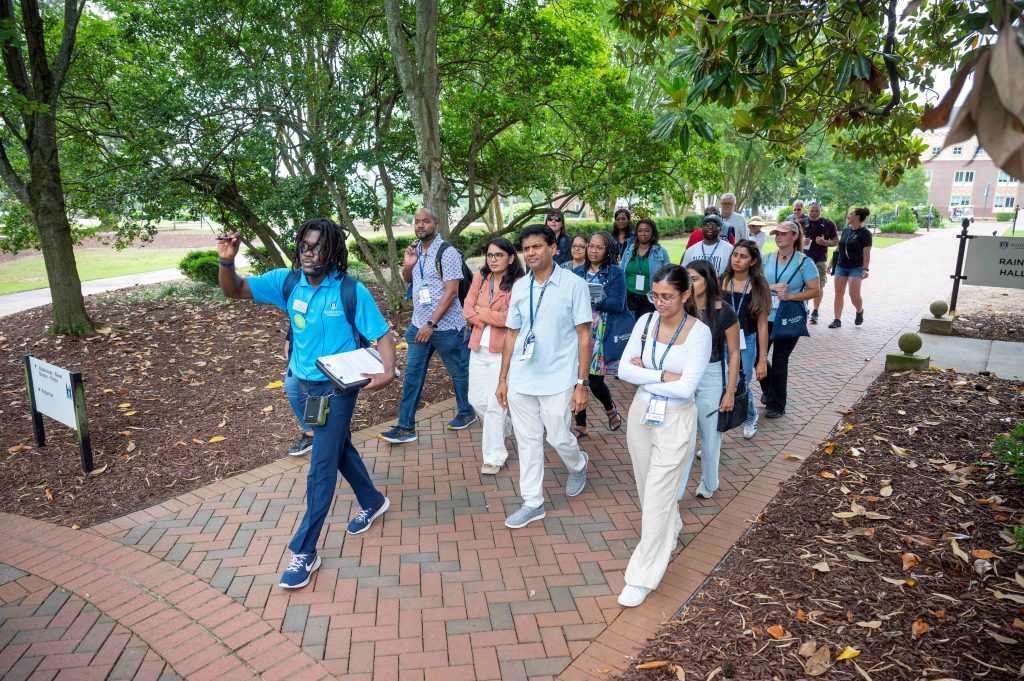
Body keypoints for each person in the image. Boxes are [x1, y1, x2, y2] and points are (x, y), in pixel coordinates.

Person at [215, 219, 396, 589]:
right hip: (302, 386)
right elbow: (236, 290)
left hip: (338, 389)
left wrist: (389, 371)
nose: (309, 252)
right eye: (305, 246)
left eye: (318, 247)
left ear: (333, 253)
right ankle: (372, 499)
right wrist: (227, 262)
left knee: (321, 467)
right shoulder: (287, 282)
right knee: (337, 448)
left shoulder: (350, 290)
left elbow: (382, 335)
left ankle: (306, 550)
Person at [617, 264, 711, 607]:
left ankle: (641, 577)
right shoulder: (644, 323)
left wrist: (647, 373)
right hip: (641, 413)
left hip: (676, 420)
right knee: (646, 487)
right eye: (655, 295)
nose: (659, 302)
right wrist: (662, 376)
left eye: (667, 296)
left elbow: (687, 388)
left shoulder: (700, 333)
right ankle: (670, 526)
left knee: (657, 495)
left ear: (685, 295)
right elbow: (624, 371)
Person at [496, 224, 592, 529]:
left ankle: (578, 464)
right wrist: (503, 378)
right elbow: (512, 333)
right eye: (526, 249)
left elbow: (584, 336)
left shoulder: (574, 285)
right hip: (523, 376)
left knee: (557, 434)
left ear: (554, 248)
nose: (531, 253)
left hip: (559, 376)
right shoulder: (521, 287)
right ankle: (532, 502)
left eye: (537, 246)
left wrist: (581, 383)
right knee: (527, 440)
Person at [380, 208, 476, 444]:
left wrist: (431, 323)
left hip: (445, 327)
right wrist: (409, 265)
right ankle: (405, 427)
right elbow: (409, 280)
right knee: (412, 375)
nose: (420, 225)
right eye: (417, 222)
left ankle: (466, 411)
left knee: (458, 373)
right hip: (418, 325)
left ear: (436, 223)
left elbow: (452, 292)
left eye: (425, 221)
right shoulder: (415, 250)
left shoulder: (448, 253)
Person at [675, 259, 739, 501]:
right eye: (687, 278)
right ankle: (677, 490)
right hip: (682, 374)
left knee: (710, 437)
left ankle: (709, 482)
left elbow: (734, 353)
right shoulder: (682, 307)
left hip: (712, 374)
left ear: (709, 280)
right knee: (683, 438)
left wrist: (730, 391)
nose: (690, 283)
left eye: (695, 278)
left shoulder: (725, 311)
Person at [464, 238, 525, 475]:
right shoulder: (481, 278)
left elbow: (509, 319)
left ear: (510, 258)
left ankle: (494, 457)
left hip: (503, 352)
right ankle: (505, 426)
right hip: (478, 348)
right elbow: (467, 309)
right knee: (476, 400)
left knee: (493, 405)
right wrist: (490, 314)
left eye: (499, 255)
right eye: (490, 255)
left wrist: (482, 312)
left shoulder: (518, 284)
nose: (493, 259)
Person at [759, 222, 820, 418]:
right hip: (765, 316)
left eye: (783, 234)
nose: (778, 236)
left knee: (779, 360)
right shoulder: (766, 258)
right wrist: (771, 287)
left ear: (794, 236)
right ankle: (769, 390)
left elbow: (815, 290)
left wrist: (790, 296)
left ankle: (777, 405)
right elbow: (755, 284)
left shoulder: (805, 263)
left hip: (789, 317)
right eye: (776, 233)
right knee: (756, 357)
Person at [571, 231, 627, 439]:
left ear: (608, 250)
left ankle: (610, 408)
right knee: (576, 379)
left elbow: (618, 304)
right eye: (590, 246)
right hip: (578, 331)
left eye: (599, 247)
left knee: (594, 382)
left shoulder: (614, 273)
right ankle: (581, 425)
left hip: (601, 333)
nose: (593, 251)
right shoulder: (576, 273)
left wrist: (595, 299)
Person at [720, 240, 771, 439]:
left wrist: (762, 359)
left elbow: (762, 325)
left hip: (746, 342)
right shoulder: (721, 280)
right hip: (721, 341)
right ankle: (719, 429)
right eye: (735, 255)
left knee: (741, 383)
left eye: (743, 256)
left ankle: (750, 416)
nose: (737, 260)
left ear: (753, 261)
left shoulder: (759, 285)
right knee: (721, 383)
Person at [828, 207, 873, 328]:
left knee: (853, 293)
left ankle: (859, 311)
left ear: (857, 216)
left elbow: (867, 252)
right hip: (841, 266)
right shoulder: (846, 231)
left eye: (851, 214)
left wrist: (865, 268)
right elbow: (839, 248)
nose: (848, 216)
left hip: (856, 267)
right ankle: (837, 320)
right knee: (838, 293)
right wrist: (832, 262)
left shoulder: (865, 233)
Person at [619, 218, 670, 317]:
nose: (643, 233)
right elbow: (621, 272)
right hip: (629, 296)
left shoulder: (661, 252)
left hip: (650, 298)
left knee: (646, 327)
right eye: (640, 230)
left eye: (647, 230)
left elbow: (667, 277)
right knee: (630, 326)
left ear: (652, 233)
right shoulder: (629, 250)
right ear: (637, 233)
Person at [803, 201, 839, 325]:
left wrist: (825, 242)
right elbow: (792, 239)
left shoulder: (828, 224)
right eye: (812, 211)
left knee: (819, 285)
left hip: (820, 259)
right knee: (802, 284)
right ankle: (804, 309)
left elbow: (835, 241)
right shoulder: (801, 223)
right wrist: (801, 241)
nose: (814, 213)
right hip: (803, 258)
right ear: (808, 210)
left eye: (816, 211)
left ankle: (815, 310)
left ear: (820, 211)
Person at [283, 342, 314, 457]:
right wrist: (288, 339)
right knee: (292, 386)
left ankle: (321, 436)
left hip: (326, 344)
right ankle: (311, 433)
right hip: (302, 342)